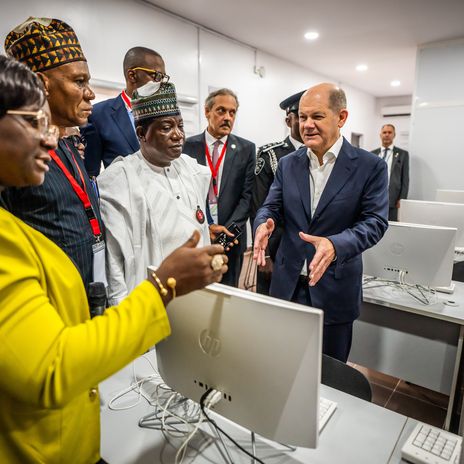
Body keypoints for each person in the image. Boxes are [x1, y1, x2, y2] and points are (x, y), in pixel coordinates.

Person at [0, 54, 227, 464]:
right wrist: (162, 287)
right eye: (36, 122)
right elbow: (51, 368)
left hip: (76, 426)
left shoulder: (193, 174)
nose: (52, 140)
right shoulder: (119, 181)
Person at [253, 83, 389, 363]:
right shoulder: (289, 164)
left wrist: (335, 244)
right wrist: (264, 222)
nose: (307, 125)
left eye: (317, 116)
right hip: (287, 287)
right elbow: (271, 206)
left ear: (341, 118)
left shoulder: (370, 166)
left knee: (329, 377)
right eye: (302, 117)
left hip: (334, 289)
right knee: (281, 364)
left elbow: (375, 221)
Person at [3, 17, 102, 293]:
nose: (90, 94)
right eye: (79, 81)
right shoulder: (16, 162)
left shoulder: (67, 143)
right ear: (40, 83)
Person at [98, 81, 211, 304]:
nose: (178, 135)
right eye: (167, 127)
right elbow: (114, 263)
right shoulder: (119, 180)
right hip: (147, 299)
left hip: (194, 296)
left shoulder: (191, 170)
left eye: (180, 126)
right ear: (142, 133)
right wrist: (124, 315)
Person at [183, 88, 256, 287]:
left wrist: (226, 232)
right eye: (221, 111)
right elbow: (184, 192)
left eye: (232, 113)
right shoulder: (187, 146)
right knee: (197, 290)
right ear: (207, 112)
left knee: (229, 291)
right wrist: (206, 227)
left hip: (232, 237)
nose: (227, 117)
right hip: (198, 231)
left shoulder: (246, 149)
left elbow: (247, 197)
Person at [81, 46, 168, 176]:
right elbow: (90, 173)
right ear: (132, 75)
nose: (160, 83)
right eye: (156, 76)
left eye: (163, 77)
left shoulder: (164, 114)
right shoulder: (99, 115)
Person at [250, 90, 305, 295]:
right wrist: (265, 255)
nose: (306, 122)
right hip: (277, 248)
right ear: (288, 120)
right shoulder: (271, 154)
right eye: (300, 116)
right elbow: (258, 207)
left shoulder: (324, 156)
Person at [371, 124, 409, 221]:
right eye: (384, 132)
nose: (387, 135)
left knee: (391, 226)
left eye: (389, 132)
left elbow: (405, 178)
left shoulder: (402, 154)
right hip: (373, 198)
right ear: (380, 135)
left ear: (394, 135)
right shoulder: (372, 154)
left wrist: (402, 199)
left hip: (392, 198)